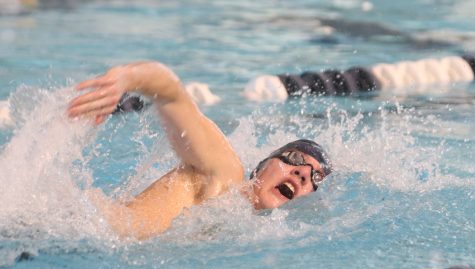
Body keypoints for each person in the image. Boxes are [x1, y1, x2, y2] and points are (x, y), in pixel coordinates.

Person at [68, 61, 332, 240]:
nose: (302, 174)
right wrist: (125, 78)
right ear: (263, 165)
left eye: (315, 178)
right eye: (296, 159)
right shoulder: (225, 173)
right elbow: (172, 93)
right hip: (78, 225)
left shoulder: (239, 224)